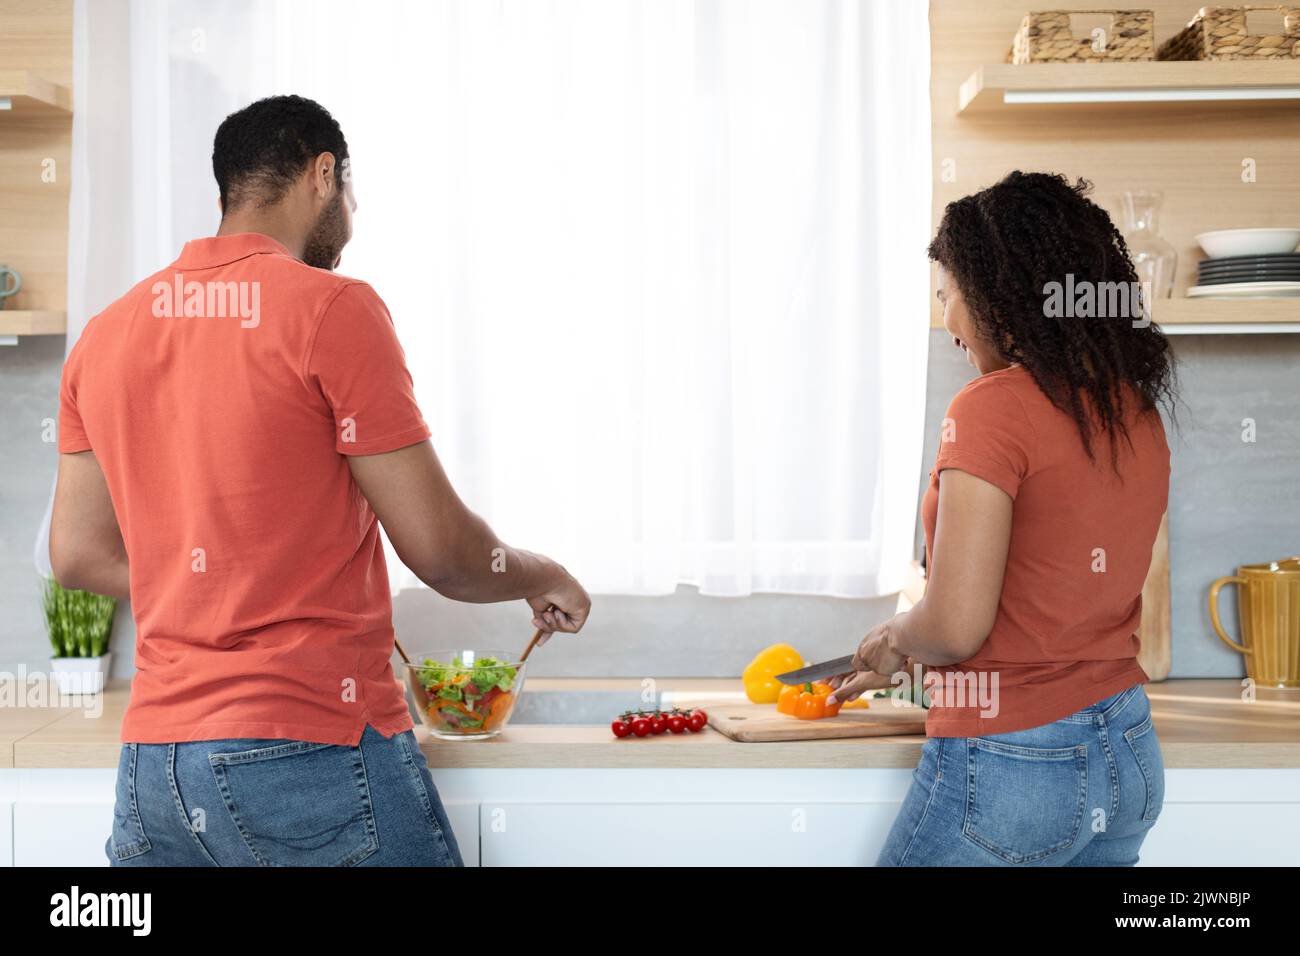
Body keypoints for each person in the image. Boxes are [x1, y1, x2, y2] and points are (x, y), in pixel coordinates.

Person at [49, 95, 590, 867]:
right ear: (323, 173)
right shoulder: (334, 308)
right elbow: (441, 553)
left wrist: (231, 577)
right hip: (307, 754)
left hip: (156, 769)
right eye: (352, 194)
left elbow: (74, 553)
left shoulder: (106, 334)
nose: (355, 215)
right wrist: (549, 574)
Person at [829, 171, 1174, 866]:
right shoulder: (1132, 408)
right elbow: (1048, 608)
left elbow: (956, 628)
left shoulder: (990, 408)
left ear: (995, 294)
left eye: (947, 295)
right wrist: (907, 655)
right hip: (1128, 752)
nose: (946, 320)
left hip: (1014, 762)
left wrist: (898, 633)